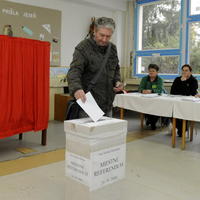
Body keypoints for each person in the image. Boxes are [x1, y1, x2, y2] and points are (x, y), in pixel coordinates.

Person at [67, 17, 123, 118]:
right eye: (102, 35)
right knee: (89, 133)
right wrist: (76, 89)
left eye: (108, 36)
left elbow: (116, 68)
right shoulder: (83, 47)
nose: (104, 39)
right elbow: (74, 71)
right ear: (94, 31)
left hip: (108, 104)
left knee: (106, 133)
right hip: (89, 104)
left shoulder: (112, 49)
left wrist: (117, 81)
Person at [170, 64, 198, 137]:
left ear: (190, 72)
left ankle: (182, 128)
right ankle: (181, 128)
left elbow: (191, 93)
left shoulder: (194, 81)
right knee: (170, 111)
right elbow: (172, 91)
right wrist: (182, 83)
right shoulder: (177, 79)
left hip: (188, 103)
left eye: (186, 70)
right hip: (177, 101)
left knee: (183, 113)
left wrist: (184, 82)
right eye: (183, 71)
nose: (184, 72)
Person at [138, 64, 164, 130]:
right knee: (145, 106)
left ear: (157, 72)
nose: (151, 72)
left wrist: (151, 91)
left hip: (157, 99)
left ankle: (153, 122)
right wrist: (142, 91)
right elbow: (140, 88)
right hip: (146, 99)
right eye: (150, 71)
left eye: (153, 71)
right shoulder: (144, 78)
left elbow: (159, 90)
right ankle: (149, 120)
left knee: (157, 107)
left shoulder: (160, 80)